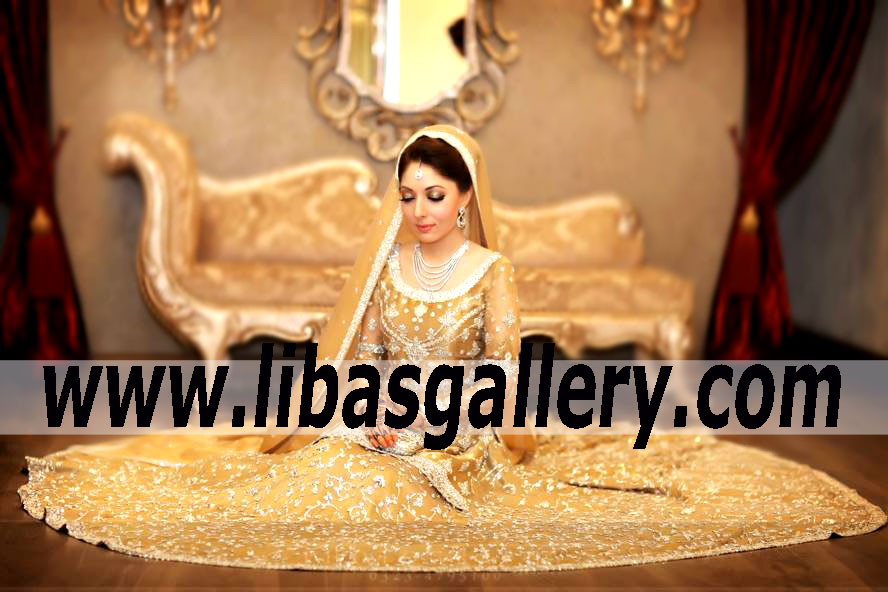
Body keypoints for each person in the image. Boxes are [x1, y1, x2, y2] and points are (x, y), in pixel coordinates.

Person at [18, 126, 886, 571]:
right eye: (408, 196)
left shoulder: (491, 270)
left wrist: (431, 423)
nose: (419, 211)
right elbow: (360, 360)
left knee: (429, 482)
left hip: (465, 427)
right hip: (379, 420)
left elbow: (501, 375)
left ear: (466, 198)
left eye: (435, 195)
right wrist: (372, 417)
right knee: (329, 474)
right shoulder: (387, 265)